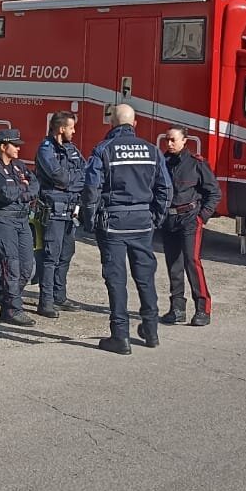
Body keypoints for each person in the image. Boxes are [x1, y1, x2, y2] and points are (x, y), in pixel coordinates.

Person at [82, 104, 172, 355]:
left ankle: (120, 336)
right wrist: (155, 217)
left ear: (111, 123)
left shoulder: (103, 150)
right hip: (143, 221)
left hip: (113, 223)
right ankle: (151, 330)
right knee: (145, 277)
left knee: (116, 280)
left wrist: (89, 220)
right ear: (135, 123)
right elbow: (165, 189)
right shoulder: (152, 150)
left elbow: (91, 190)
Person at [158, 129, 221, 327]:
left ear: (184, 141)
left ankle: (203, 308)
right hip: (169, 220)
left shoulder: (196, 163)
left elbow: (214, 193)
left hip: (190, 218)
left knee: (192, 262)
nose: (169, 144)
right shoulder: (162, 163)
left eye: (173, 140)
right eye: (167, 140)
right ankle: (177, 308)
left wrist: (202, 217)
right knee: (173, 264)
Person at [0, 128, 40, 326]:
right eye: (14, 145)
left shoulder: (19, 165)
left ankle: (8, 302)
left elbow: (35, 184)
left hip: (22, 220)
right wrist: (24, 189)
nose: (18, 148)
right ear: (2, 147)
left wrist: (23, 190)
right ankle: (13, 309)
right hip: (3, 221)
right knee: (12, 266)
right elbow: (5, 193)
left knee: (27, 268)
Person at [34, 112, 84, 318]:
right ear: (61, 128)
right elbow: (59, 177)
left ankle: (59, 296)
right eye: (71, 127)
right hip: (53, 211)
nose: (74, 131)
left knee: (66, 254)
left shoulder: (72, 149)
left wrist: (71, 181)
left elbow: (85, 172)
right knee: (51, 256)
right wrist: (71, 181)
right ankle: (45, 302)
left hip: (71, 210)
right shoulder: (46, 150)